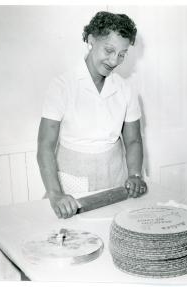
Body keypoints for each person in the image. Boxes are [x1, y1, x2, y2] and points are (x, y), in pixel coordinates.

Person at [37, 11, 147, 219]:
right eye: (109, 50)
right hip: (71, 183)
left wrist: (134, 175)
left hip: (115, 180)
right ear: (91, 39)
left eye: (122, 54)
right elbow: (45, 145)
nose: (115, 60)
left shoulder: (126, 89)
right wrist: (56, 194)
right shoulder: (62, 86)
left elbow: (133, 140)